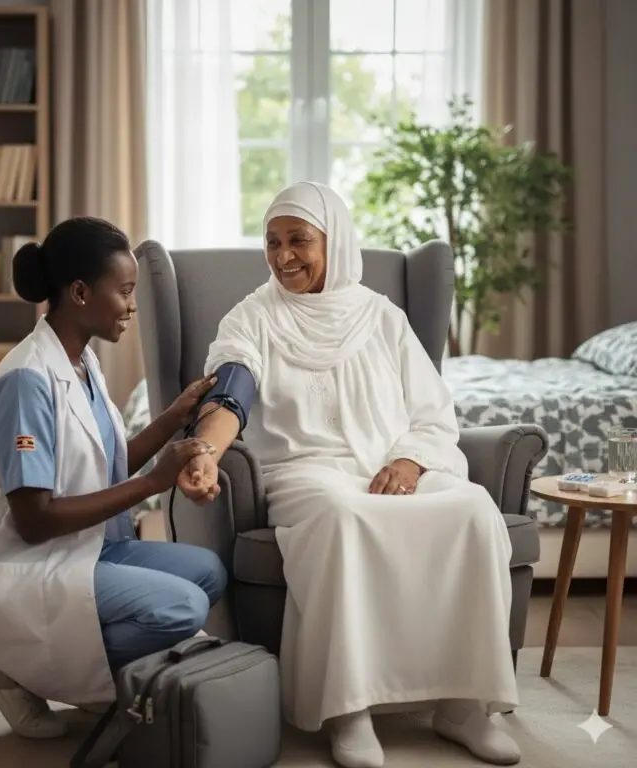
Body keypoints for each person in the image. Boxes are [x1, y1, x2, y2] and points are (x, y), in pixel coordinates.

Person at [177, 183, 521, 767]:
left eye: (299, 241)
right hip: (306, 473)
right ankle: (350, 710)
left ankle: (464, 704)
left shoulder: (382, 315)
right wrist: (205, 452)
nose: (284, 256)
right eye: (273, 242)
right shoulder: (252, 318)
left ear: (334, 241)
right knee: (342, 517)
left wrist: (411, 462)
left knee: (473, 512)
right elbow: (231, 390)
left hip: (395, 461)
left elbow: (432, 411)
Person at [0, 216, 227, 740]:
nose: (132, 304)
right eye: (124, 291)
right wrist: (154, 483)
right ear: (80, 292)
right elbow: (33, 521)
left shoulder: (82, 363)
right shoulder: (25, 382)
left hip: (87, 546)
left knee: (208, 571)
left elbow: (110, 461)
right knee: (182, 606)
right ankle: (15, 667)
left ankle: (82, 664)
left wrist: (172, 417)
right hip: (21, 565)